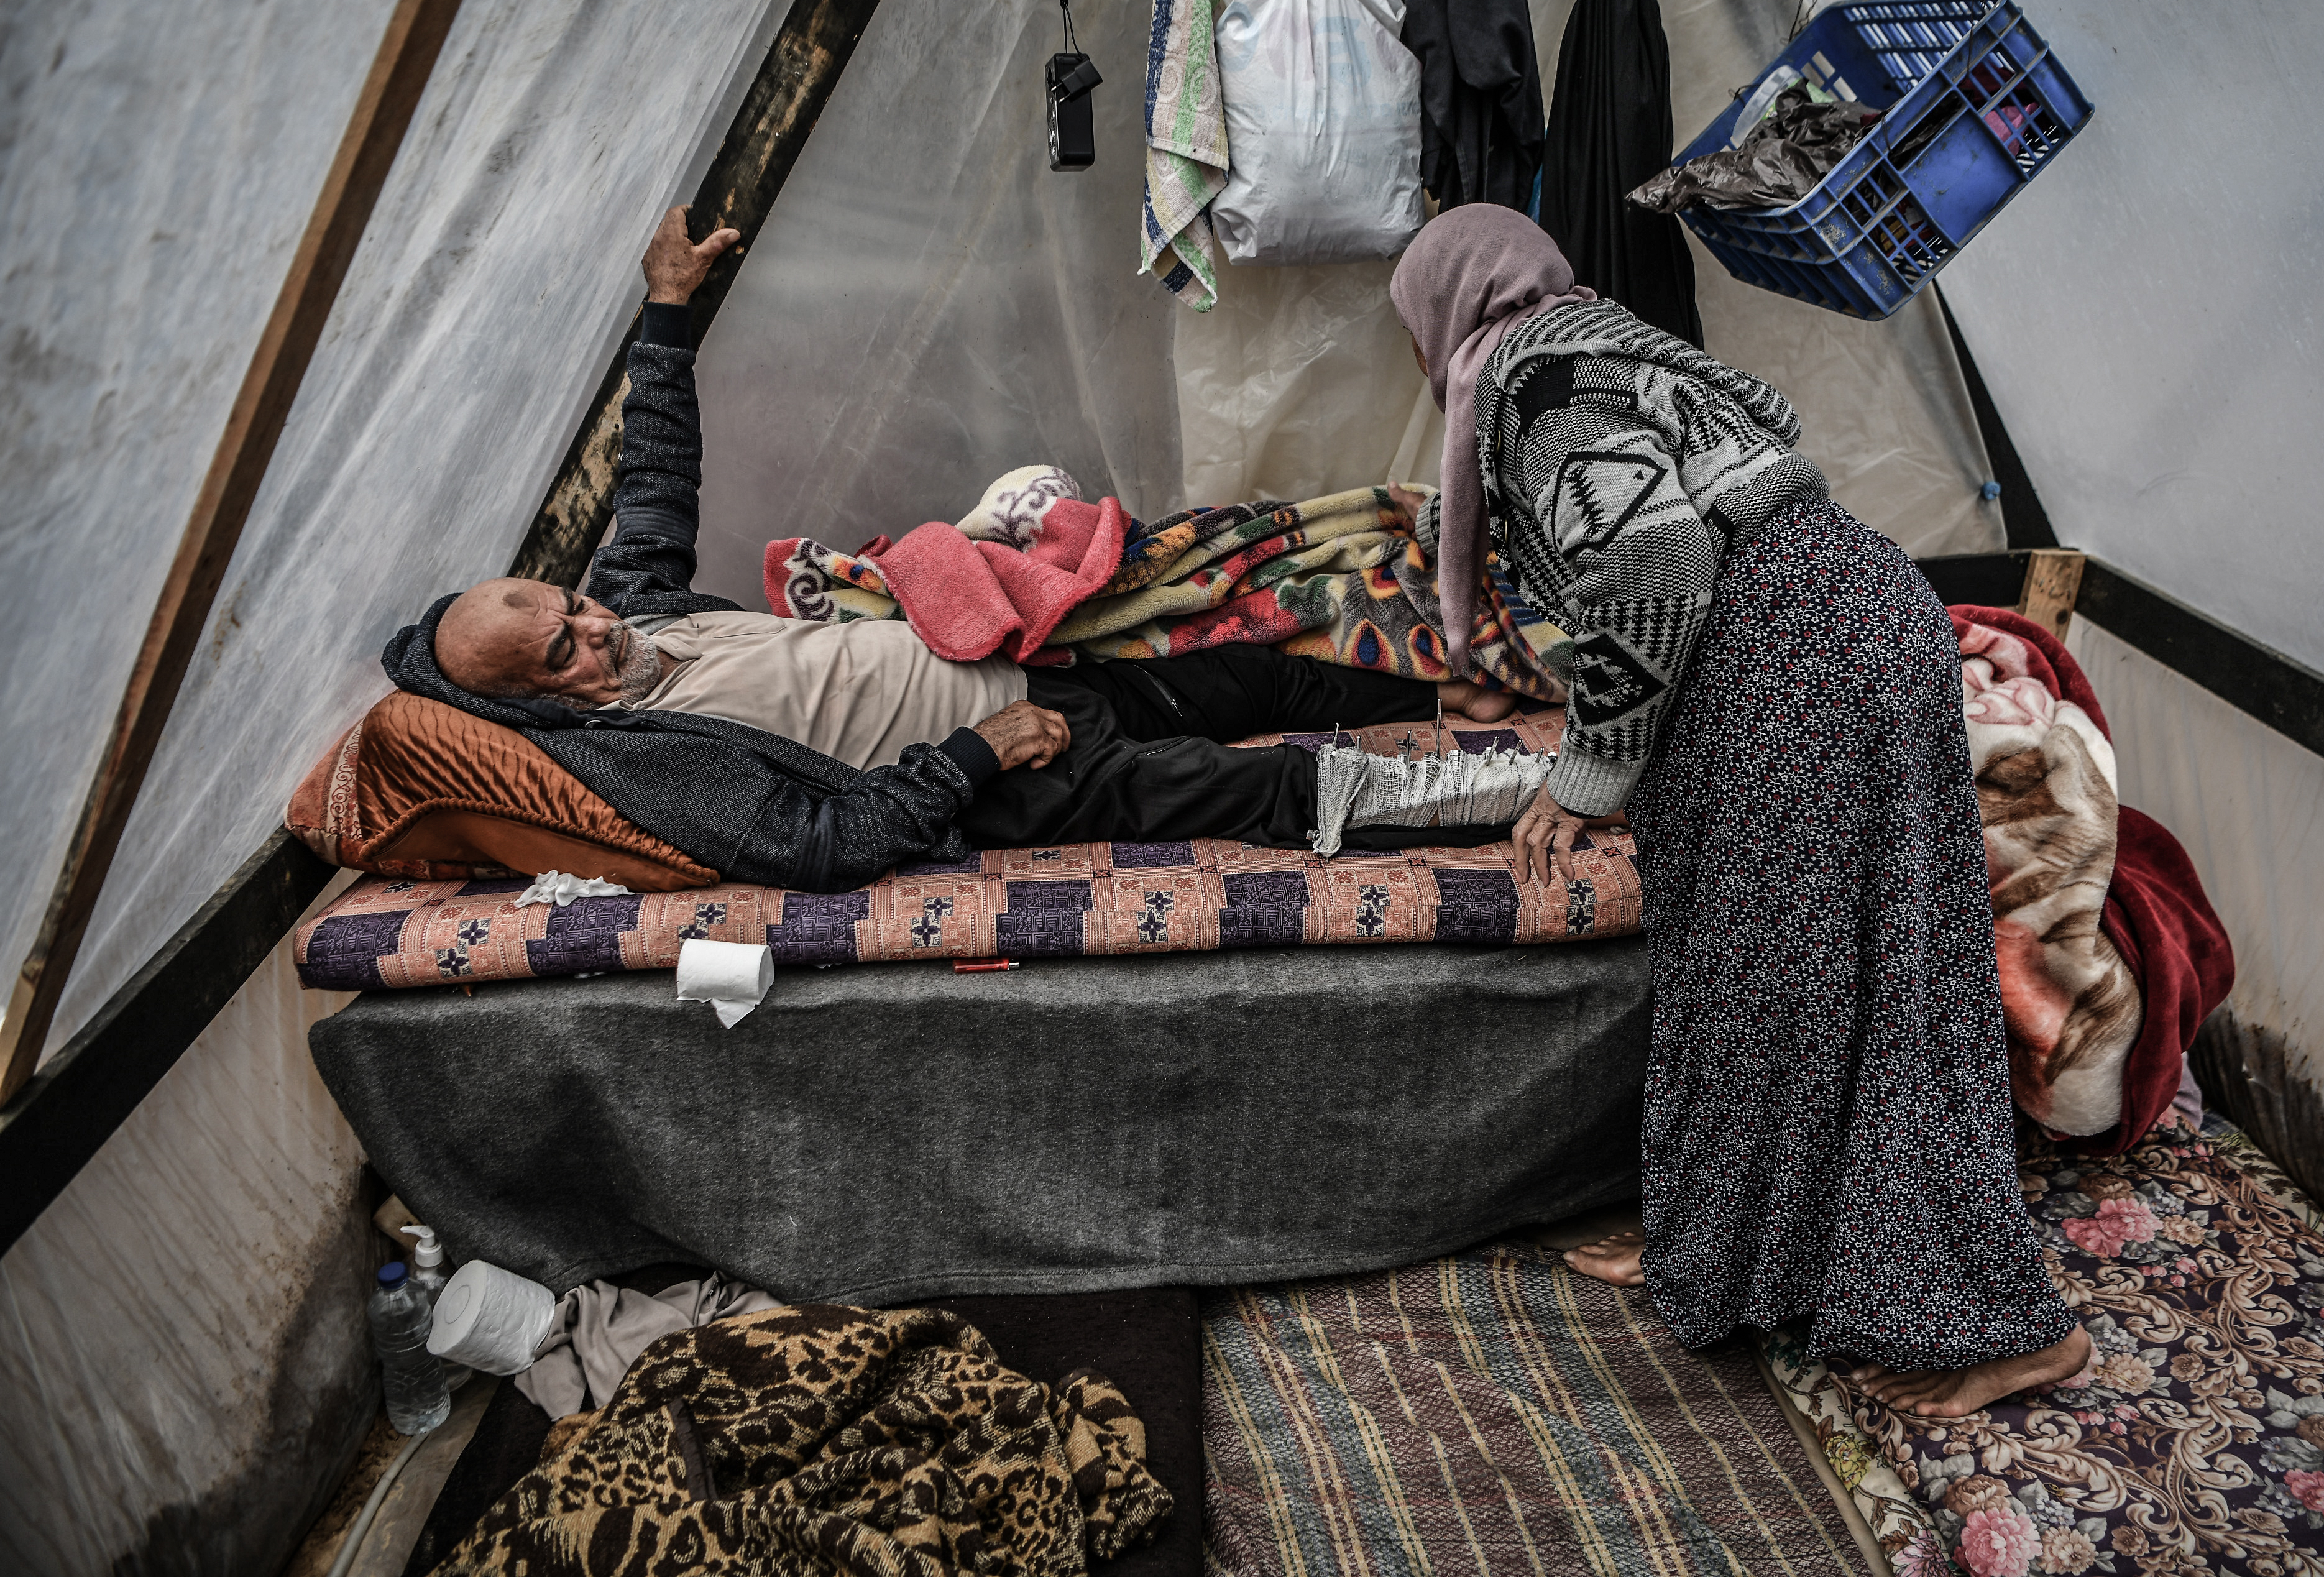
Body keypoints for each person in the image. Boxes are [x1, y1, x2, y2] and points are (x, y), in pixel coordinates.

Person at [1387, 204, 2090, 1419]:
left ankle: (2005, 1323)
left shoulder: (1542, 386)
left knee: (1814, 974)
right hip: (1854, 618)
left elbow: (1655, 572)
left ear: (1446, 310)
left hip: (1788, 657)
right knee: (1782, 971)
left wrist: (1585, 770)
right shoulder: (1603, 338)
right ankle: (1711, 1250)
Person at [382, 207, 1473, 889]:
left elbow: (655, 479)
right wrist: (979, 755)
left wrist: (667, 308)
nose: (595, 624)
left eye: (565, 604)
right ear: (545, 706)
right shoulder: (640, 766)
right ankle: (1507, 799)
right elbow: (814, 843)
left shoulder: (636, 607)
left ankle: (1476, 695)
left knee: (1278, 667)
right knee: (1258, 788)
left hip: (1051, 662)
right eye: (564, 652)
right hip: (1020, 773)